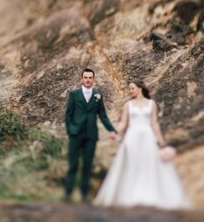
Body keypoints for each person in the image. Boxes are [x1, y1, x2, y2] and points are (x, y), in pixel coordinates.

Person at [93, 80, 191, 209]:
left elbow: (155, 124)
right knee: (133, 164)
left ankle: (149, 195)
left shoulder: (152, 104)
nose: (130, 91)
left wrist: (161, 142)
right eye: (130, 89)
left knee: (148, 163)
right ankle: (131, 195)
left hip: (148, 137)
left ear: (140, 88)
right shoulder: (128, 105)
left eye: (132, 88)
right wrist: (115, 131)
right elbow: (123, 123)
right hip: (132, 137)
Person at [64, 68, 117, 202]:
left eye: (90, 78)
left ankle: (84, 194)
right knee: (73, 164)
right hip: (76, 134)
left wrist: (111, 130)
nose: (88, 80)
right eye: (85, 77)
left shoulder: (98, 95)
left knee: (87, 165)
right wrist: (71, 130)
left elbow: (103, 115)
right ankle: (68, 193)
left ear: (93, 79)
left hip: (91, 135)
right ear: (82, 79)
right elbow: (68, 115)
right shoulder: (74, 94)